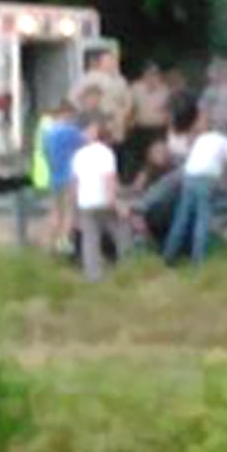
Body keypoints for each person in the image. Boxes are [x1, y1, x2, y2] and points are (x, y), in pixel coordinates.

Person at [163, 112, 227, 265]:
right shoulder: (226, 141)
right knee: (203, 219)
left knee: (181, 217)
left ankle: (169, 256)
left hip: (189, 177)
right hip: (206, 180)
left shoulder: (202, 139)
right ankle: (198, 260)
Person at [70, 116, 129, 281]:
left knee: (90, 239)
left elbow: (75, 184)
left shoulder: (78, 155)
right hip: (103, 200)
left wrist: (75, 209)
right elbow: (109, 180)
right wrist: (116, 202)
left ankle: (93, 275)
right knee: (121, 231)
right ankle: (128, 265)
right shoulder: (106, 153)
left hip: (85, 202)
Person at [39, 102, 86, 251]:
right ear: (67, 114)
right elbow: (84, 145)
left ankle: (46, 245)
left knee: (55, 213)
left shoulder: (47, 134)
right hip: (70, 177)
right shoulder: (72, 131)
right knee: (70, 213)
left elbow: (45, 154)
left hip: (54, 177)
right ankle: (63, 245)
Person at [69, 51, 133, 144]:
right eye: (107, 61)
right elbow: (73, 98)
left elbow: (128, 101)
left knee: (116, 150)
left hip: (117, 126)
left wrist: (123, 114)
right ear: (100, 63)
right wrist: (86, 114)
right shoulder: (90, 77)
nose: (111, 63)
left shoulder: (120, 80)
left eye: (112, 60)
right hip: (97, 124)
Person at [129, 62, 173, 179]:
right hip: (140, 128)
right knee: (139, 157)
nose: (152, 77)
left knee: (156, 156)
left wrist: (170, 129)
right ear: (143, 75)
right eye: (149, 74)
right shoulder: (135, 88)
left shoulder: (165, 90)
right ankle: (137, 182)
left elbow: (169, 111)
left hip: (158, 129)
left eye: (155, 74)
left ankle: (155, 181)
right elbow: (130, 108)